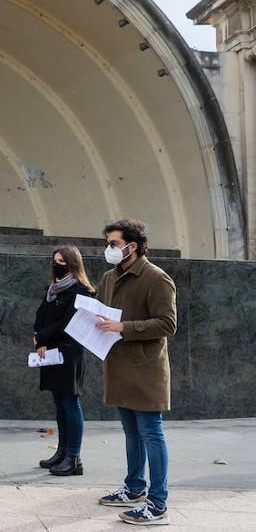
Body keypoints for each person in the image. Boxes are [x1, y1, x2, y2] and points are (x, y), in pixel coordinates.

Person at [94, 219, 176, 526]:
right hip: (118, 365)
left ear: (133, 245)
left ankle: (158, 503)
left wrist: (123, 327)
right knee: (131, 432)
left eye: (114, 244)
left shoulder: (157, 278)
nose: (109, 249)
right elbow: (103, 312)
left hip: (146, 369)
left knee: (151, 434)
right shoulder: (108, 278)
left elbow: (168, 324)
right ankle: (134, 486)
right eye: (108, 244)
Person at [32, 245, 94, 476]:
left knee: (70, 403)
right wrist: (40, 340)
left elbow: (69, 323)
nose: (56, 264)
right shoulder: (52, 289)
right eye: (54, 260)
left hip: (69, 353)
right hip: (51, 352)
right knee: (59, 403)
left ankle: (73, 457)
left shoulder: (81, 290)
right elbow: (41, 316)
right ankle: (62, 451)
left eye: (61, 261)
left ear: (72, 264)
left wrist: (42, 336)